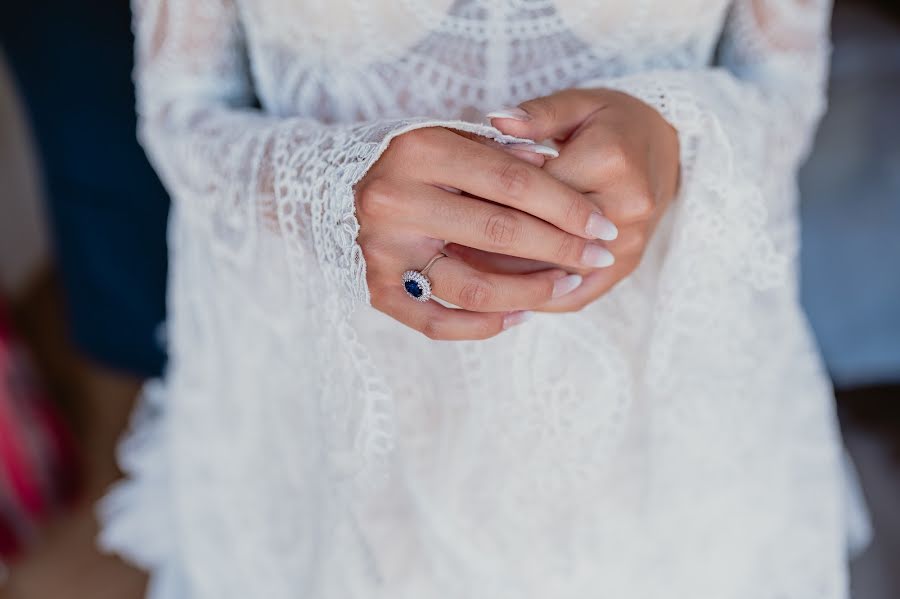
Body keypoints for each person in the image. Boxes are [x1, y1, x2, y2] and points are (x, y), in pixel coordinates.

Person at [100, 1, 849, 598]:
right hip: (339, 393)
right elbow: (181, 105)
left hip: (648, 397)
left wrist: (674, 141)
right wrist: (324, 189)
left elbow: (784, 91)